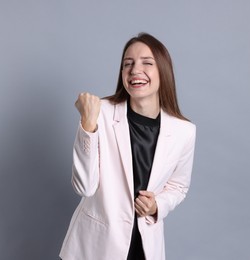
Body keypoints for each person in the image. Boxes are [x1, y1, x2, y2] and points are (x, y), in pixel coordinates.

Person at [59, 32, 196, 260]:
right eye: (127, 64)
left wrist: (157, 206)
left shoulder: (184, 131)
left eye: (147, 63)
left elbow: (179, 186)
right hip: (94, 247)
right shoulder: (99, 113)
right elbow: (84, 187)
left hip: (145, 247)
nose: (135, 70)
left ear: (163, 70)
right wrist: (88, 125)